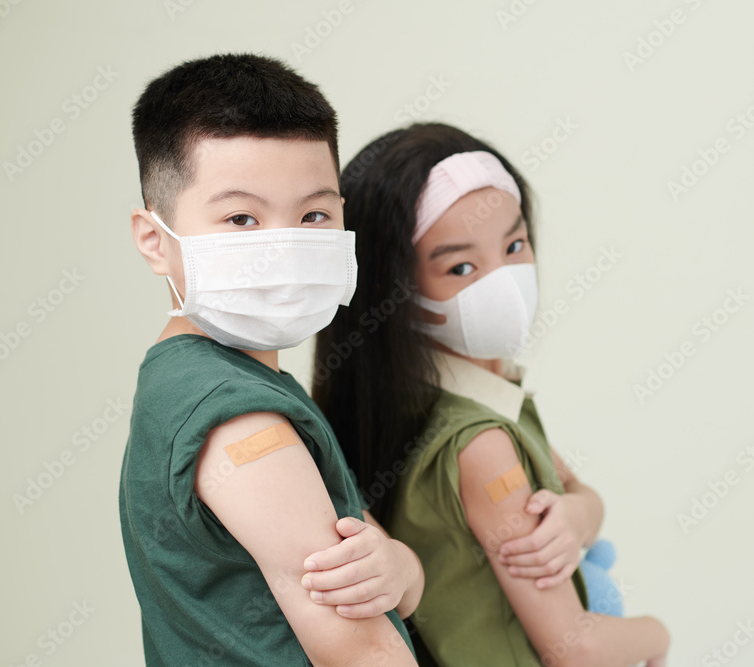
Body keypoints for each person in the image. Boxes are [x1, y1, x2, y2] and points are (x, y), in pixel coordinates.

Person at [314, 123, 670, 666]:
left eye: (514, 244)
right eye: (460, 266)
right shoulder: (481, 445)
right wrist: (658, 634)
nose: (503, 279)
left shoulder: (441, 399)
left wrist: (577, 514)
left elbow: (575, 485)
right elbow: (575, 647)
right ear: (392, 288)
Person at [119, 53, 421, 666]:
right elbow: (363, 652)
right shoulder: (236, 419)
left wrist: (400, 568)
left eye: (313, 215)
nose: (282, 248)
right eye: (241, 218)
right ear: (155, 241)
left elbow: (378, 558)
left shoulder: (230, 381)